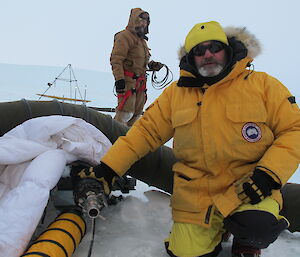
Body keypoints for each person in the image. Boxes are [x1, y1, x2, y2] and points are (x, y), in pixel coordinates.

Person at [92, 21, 300, 257]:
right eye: (199, 51)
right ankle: (217, 230)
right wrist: (109, 169)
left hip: (250, 185)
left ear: (229, 49)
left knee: (257, 226)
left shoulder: (263, 85)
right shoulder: (175, 95)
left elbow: (294, 130)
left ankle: (246, 242)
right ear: (191, 58)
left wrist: (268, 174)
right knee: (185, 253)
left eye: (215, 47)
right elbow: (143, 134)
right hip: (198, 195)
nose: (208, 54)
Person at [110, 7, 163, 126]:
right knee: (125, 114)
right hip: (128, 83)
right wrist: (119, 80)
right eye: (141, 19)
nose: (144, 23)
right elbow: (116, 59)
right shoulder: (124, 37)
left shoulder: (142, 41)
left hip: (140, 85)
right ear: (134, 20)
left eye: (146, 21)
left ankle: (127, 141)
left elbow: (137, 62)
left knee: (136, 115)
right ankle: (113, 138)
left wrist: (152, 65)